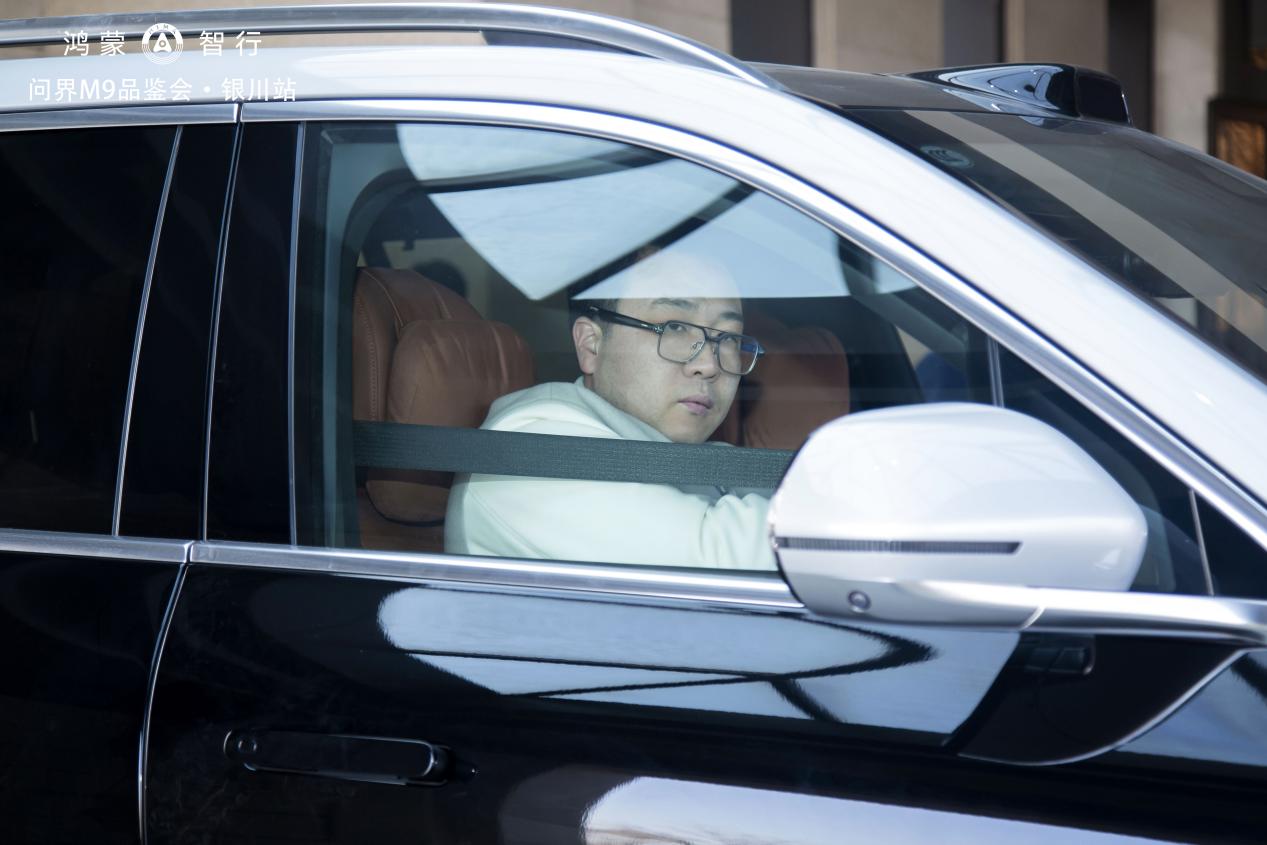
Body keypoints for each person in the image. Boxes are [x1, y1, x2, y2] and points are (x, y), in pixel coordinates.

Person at [445, 255, 775, 570]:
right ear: (591, 344)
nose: (709, 364)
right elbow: (724, 557)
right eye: (675, 328)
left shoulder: (696, 458)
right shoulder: (527, 451)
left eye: (728, 339)